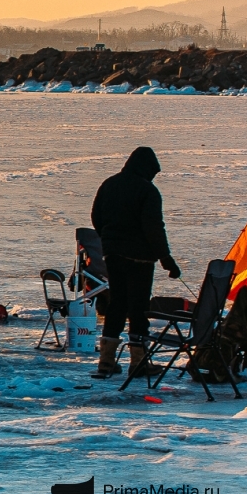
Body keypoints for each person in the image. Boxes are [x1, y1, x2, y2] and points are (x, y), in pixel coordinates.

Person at [91, 147, 181, 379]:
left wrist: (110, 241)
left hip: (112, 255)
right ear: (146, 168)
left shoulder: (109, 184)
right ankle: (139, 362)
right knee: (138, 309)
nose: (153, 177)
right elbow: (153, 228)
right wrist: (166, 259)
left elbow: (96, 217)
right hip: (140, 259)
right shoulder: (147, 190)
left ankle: (106, 362)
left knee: (117, 305)